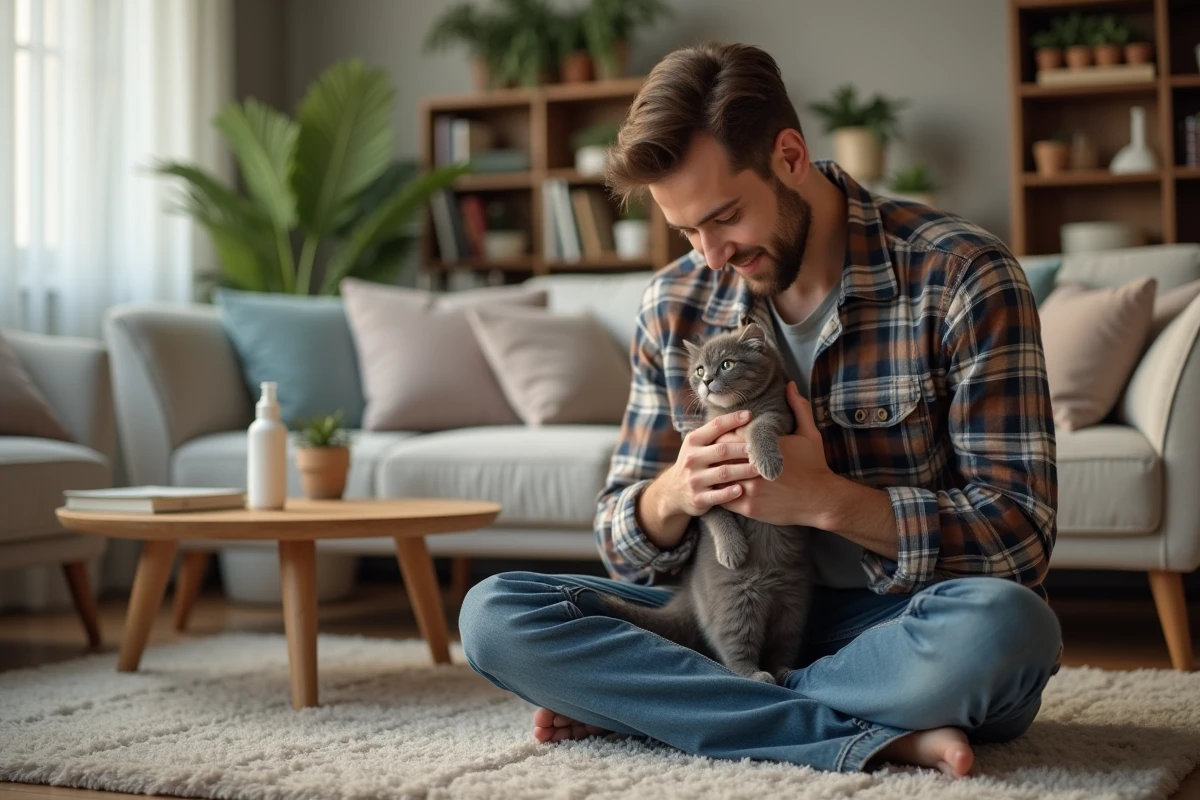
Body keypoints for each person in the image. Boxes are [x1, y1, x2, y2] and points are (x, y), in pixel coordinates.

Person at [458, 42, 1061, 778]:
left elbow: (1019, 536)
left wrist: (830, 502)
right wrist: (677, 490)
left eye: (725, 217)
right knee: (495, 616)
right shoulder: (675, 303)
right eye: (686, 231)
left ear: (789, 155)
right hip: (725, 615)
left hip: (892, 622)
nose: (710, 254)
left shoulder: (962, 275)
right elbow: (623, 542)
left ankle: (678, 708)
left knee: (1009, 629)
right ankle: (876, 730)